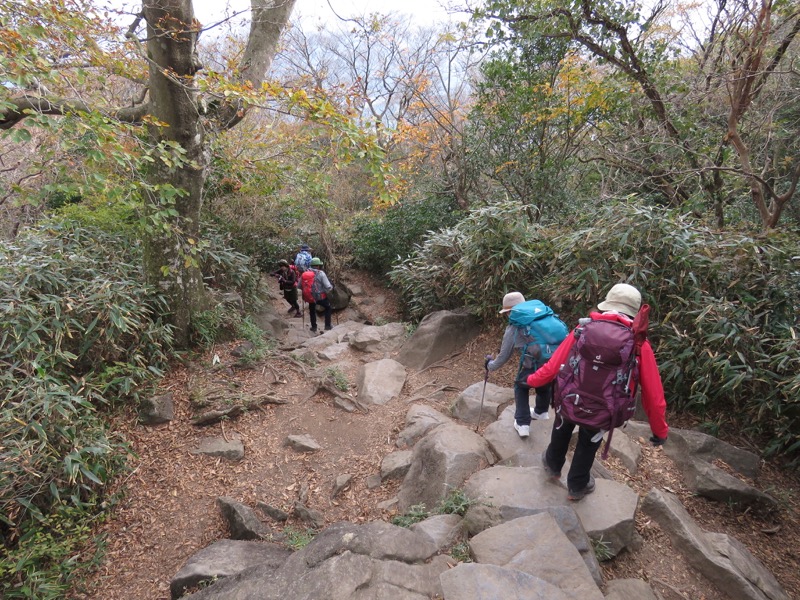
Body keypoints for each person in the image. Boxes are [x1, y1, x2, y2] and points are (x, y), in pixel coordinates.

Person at [528, 283, 669, 501]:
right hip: (605, 409)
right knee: (588, 441)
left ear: (607, 305)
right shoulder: (638, 344)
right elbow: (653, 394)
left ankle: (552, 466)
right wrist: (660, 431)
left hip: (570, 398)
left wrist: (531, 380)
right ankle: (577, 486)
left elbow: (555, 364)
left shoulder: (583, 329)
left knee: (563, 426)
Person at [486, 292, 560, 439]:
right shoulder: (544, 316)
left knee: (521, 386)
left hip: (532, 364)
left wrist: (490, 366)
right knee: (545, 380)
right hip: (553, 362)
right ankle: (541, 412)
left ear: (509, 312)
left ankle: (522, 424)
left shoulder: (514, 326)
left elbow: (504, 356)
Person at [300, 256, 333, 332]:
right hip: (321, 297)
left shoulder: (305, 274)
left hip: (310, 297)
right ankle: (327, 326)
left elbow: (299, 286)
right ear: (318, 265)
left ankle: (314, 327)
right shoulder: (321, 273)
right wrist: (331, 287)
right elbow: (328, 287)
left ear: (311, 265)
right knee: (328, 308)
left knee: (312, 310)